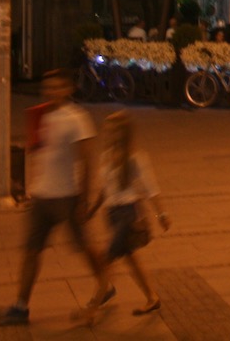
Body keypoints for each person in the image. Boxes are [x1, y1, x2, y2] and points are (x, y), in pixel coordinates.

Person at [0, 69, 112, 327]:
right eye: (47, 88)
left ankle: (106, 283)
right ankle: (20, 306)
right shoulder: (41, 115)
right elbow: (39, 153)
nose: (50, 92)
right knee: (31, 251)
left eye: (57, 87)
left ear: (68, 89)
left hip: (67, 197)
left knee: (85, 247)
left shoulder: (77, 118)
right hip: (41, 198)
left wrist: (84, 199)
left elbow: (87, 160)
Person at [93, 111, 169, 317]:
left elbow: (151, 187)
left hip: (127, 214)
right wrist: (92, 209)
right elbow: (104, 189)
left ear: (123, 133)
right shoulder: (106, 156)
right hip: (112, 214)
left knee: (106, 258)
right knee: (128, 258)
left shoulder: (135, 158)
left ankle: (92, 307)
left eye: (113, 131)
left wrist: (161, 214)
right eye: (106, 130)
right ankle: (151, 297)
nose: (107, 134)